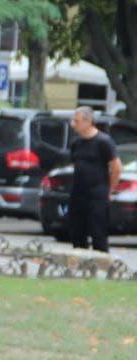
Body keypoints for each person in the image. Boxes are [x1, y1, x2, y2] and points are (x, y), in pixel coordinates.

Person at [67, 106, 121, 253]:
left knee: (98, 233)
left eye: (76, 121)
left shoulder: (104, 141)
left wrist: (109, 189)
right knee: (77, 232)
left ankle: (101, 265)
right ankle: (79, 265)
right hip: (78, 193)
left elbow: (116, 167)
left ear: (88, 121)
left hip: (97, 194)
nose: (73, 124)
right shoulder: (76, 143)